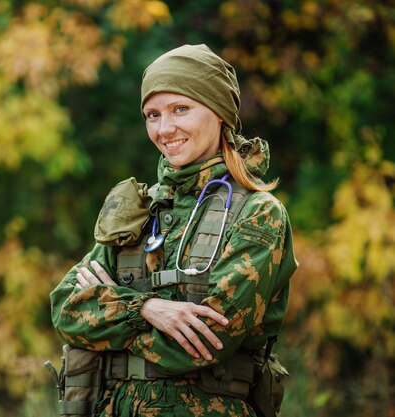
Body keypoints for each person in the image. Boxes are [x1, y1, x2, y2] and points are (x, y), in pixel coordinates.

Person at [50, 44, 298, 417]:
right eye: (152, 114)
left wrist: (108, 306)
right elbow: (66, 309)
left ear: (218, 112)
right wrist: (147, 308)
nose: (165, 129)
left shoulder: (259, 214)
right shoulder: (138, 210)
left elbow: (204, 343)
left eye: (181, 109)